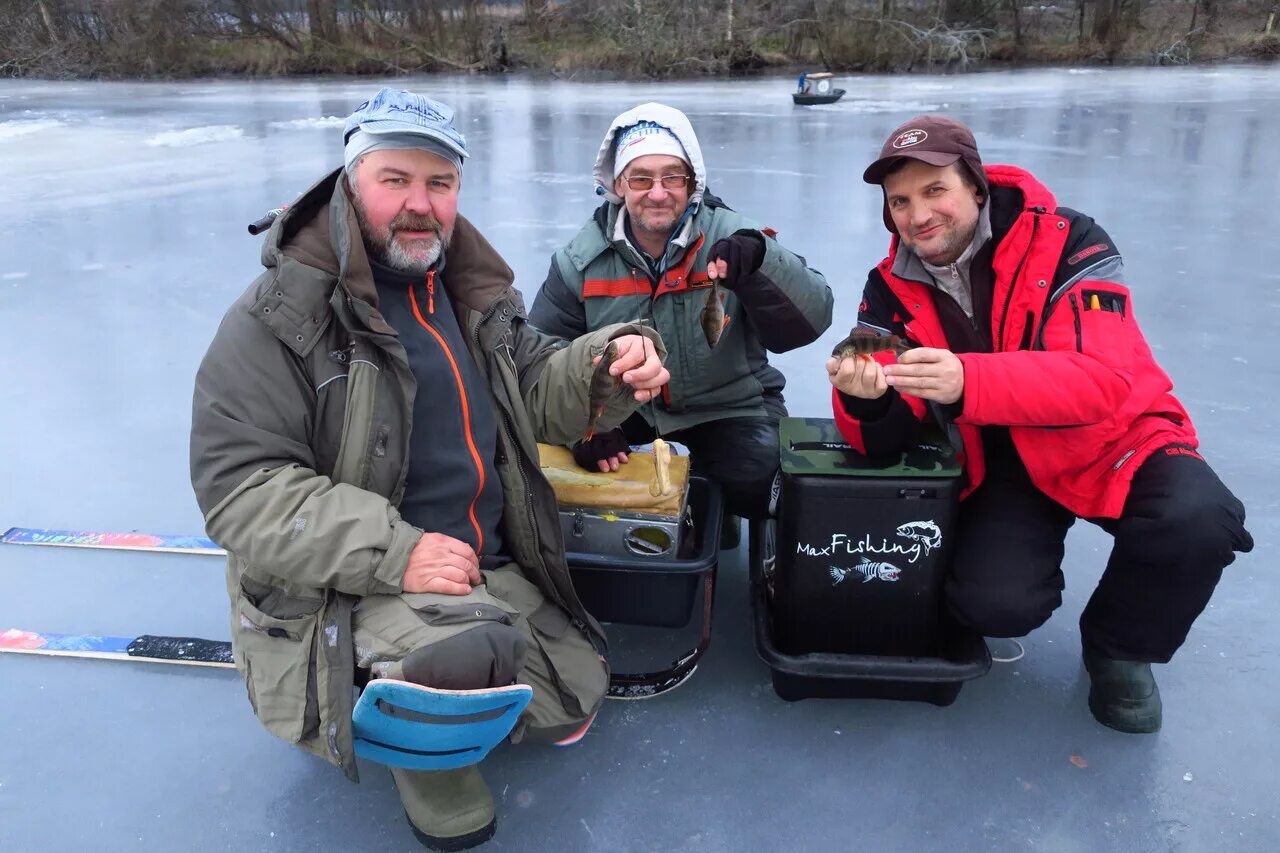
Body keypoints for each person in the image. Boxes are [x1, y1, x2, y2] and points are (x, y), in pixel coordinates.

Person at [189, 88, 670, 851]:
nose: (420, 204)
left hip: (476, 555)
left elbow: (536, 382)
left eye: (439, 183)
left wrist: (605, 363)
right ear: (351, 183)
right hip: (351, 582)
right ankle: (423, 755)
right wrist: (400, 550)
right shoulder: (276, 317)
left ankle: (450, 664)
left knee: (572, 694)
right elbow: (241, 489)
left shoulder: (465, 288)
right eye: (395, 180)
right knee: (456, 659)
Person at [828, 115, 1253, 734]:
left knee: (1198, 521)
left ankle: (1121, 649)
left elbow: (1100, 381)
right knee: (991, 605)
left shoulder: (1073, 242)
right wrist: (865, 401)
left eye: (934, 189)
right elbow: (884, 437)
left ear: (974, 185)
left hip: (1119, 438)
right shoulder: (889, 286)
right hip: (1003, 462)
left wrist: (969, 381)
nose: (917, 215)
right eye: (900, 201)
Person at [529, 102, 833, 535]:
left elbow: (813, 319)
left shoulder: (737, 236)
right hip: (620, 410)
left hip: (730, 408)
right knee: (556, 470)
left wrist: (763, 264)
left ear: (692, 182)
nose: (658, 192)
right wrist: (583, 427)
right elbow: (540, 359)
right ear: (618, 185)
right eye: (641, 178)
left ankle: (726, 528)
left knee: (762, 480)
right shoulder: (578, 262)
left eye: (673, 176)